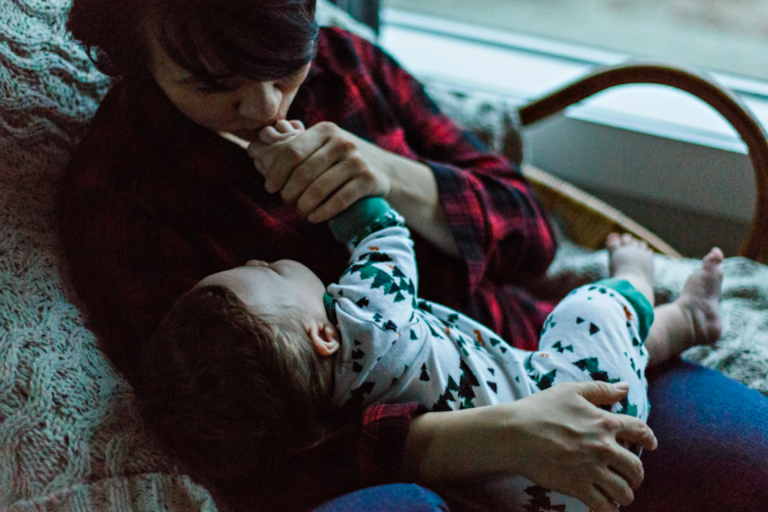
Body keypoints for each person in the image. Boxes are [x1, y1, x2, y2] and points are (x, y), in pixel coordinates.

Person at [59, 0, 768, 511]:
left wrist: (393, 176)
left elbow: (531, 237)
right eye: (217, 87)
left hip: (533, 355)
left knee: (750, 459)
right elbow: (243, 455)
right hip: (388, 473)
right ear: (134, 54)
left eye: (283, 66)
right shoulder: (121, 196)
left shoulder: (346, 66)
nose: (270, 106)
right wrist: (495, 435)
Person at [142, 184, 724, 511]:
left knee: (590, 350)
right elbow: (387, 237)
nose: (253, 259)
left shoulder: (324, 424)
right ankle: (651, 291)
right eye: (264, 271)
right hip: (582, 414)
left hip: (535, 497)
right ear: (322, 336)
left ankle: (683, 320)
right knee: (587, 313)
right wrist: (348, 200)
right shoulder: (363, 321)